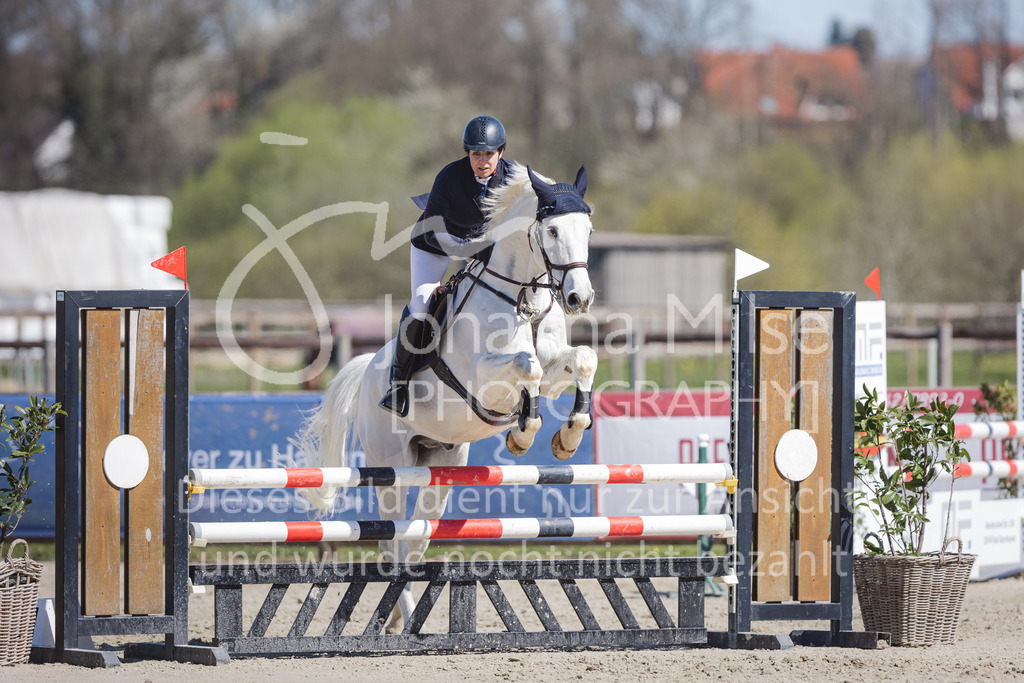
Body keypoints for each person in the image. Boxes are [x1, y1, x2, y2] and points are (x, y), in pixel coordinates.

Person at [379, 115, 513, 417]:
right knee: (423, 303)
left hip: (480, 243)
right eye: (476, 154)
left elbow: (539, 189)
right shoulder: (449, 177)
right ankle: (398, 384)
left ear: (501, 152)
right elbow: (440, 234)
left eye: (488, 154)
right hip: (436, 243)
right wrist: (470, 252)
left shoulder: (513, 175)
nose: (482, 161)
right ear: (467, 153)